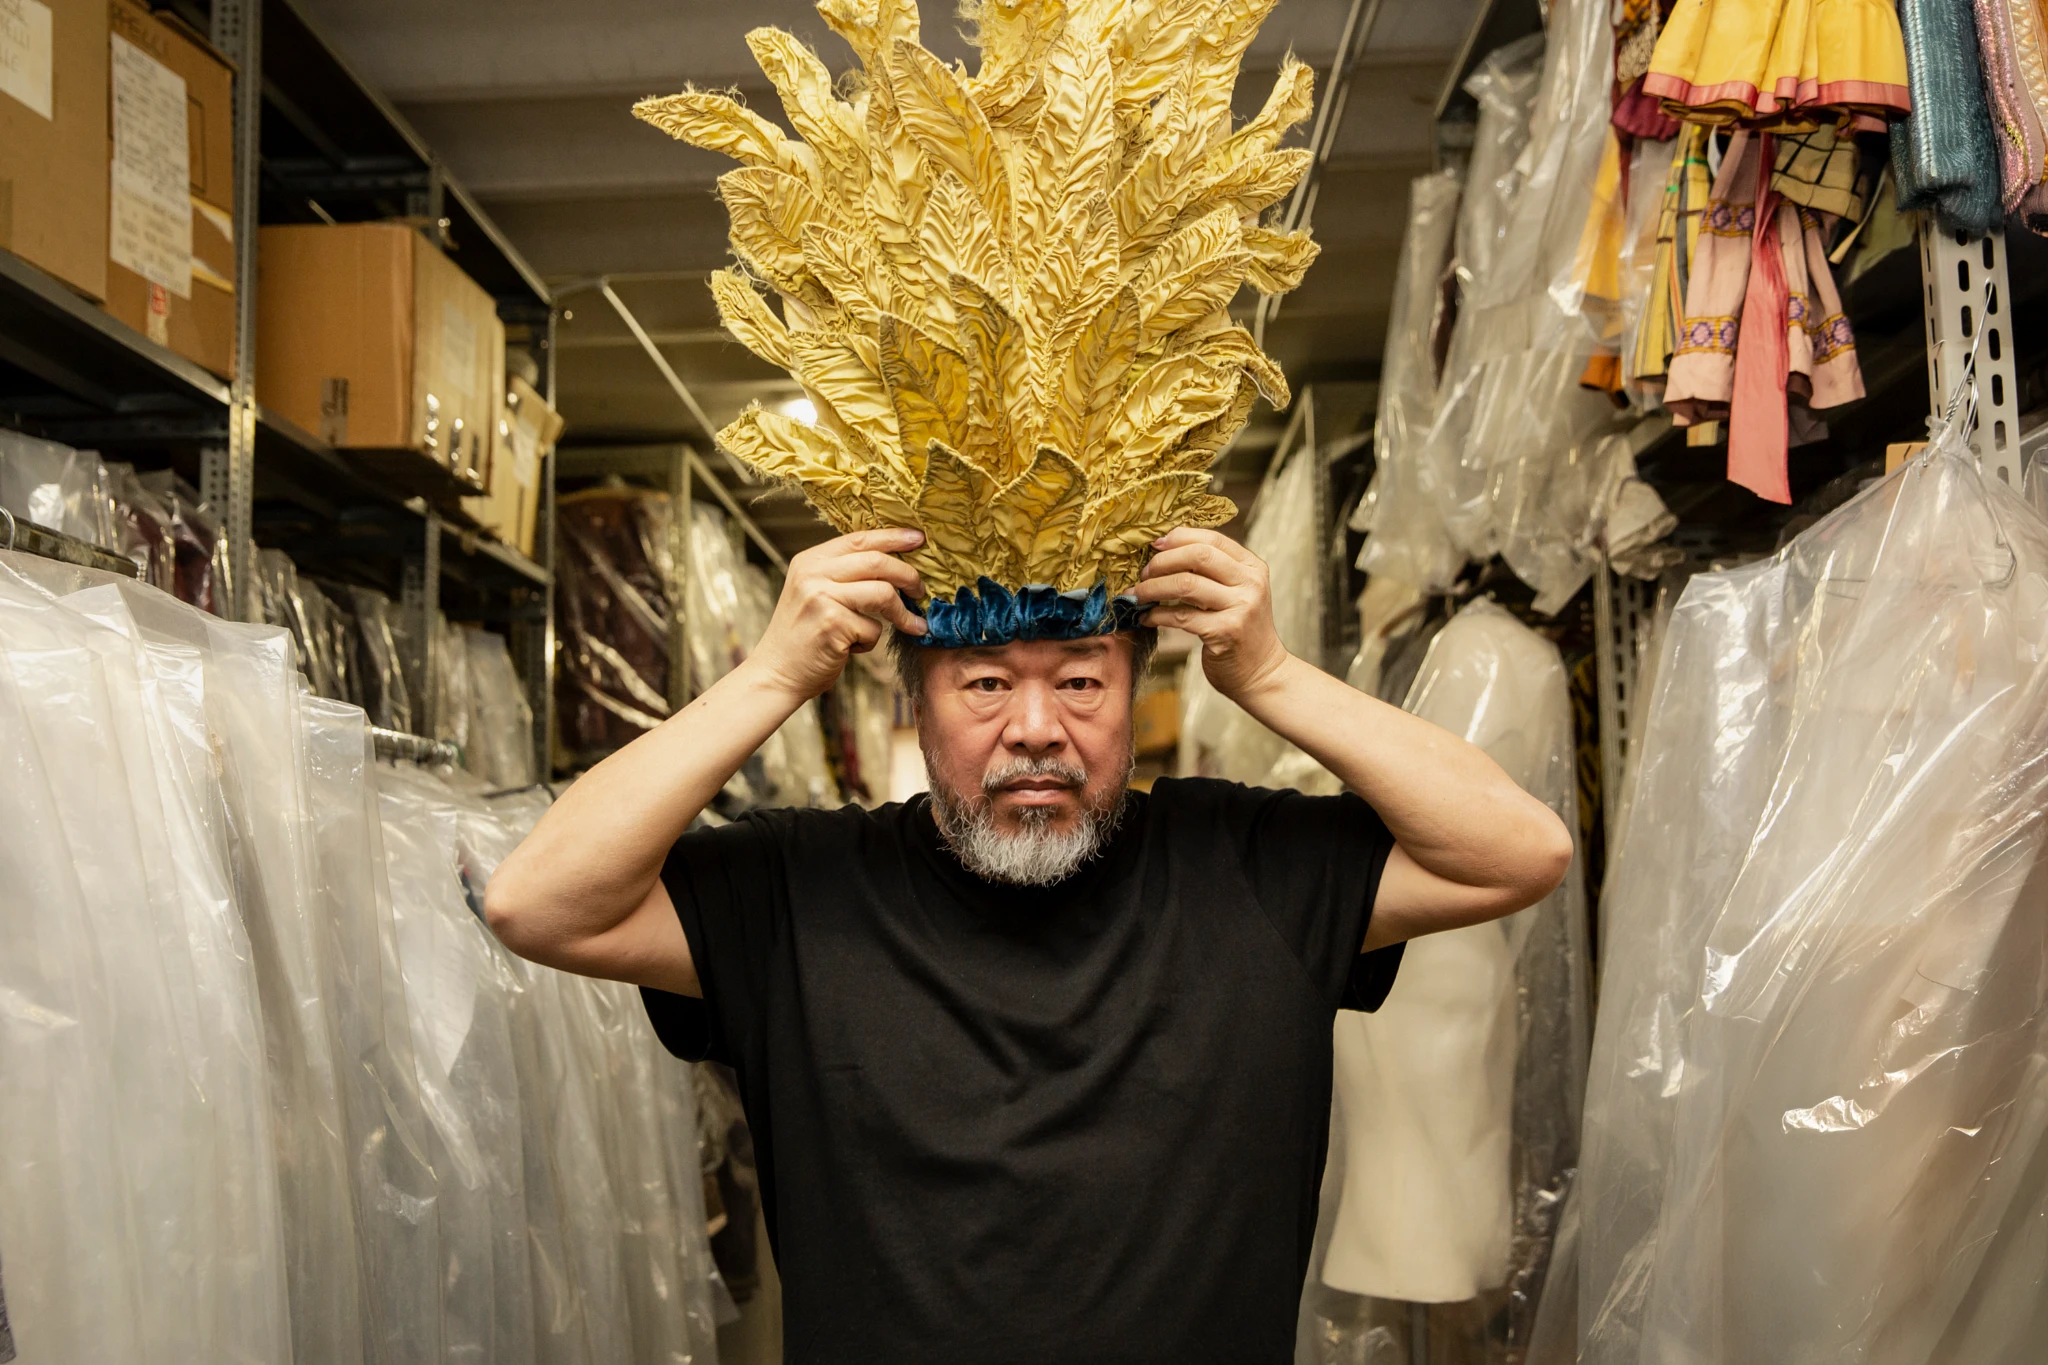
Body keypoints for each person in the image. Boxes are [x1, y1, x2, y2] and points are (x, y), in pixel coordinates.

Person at [486, 522, 1572, 1364]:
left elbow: (1519, 850)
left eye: (1082, 678)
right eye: (987, 682)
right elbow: (537, 904)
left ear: (1134, 690)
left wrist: (1273, 676)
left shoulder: (1250, 865)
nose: (1038, 727)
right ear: (916, 703)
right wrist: (772, 676)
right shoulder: (794, 890)